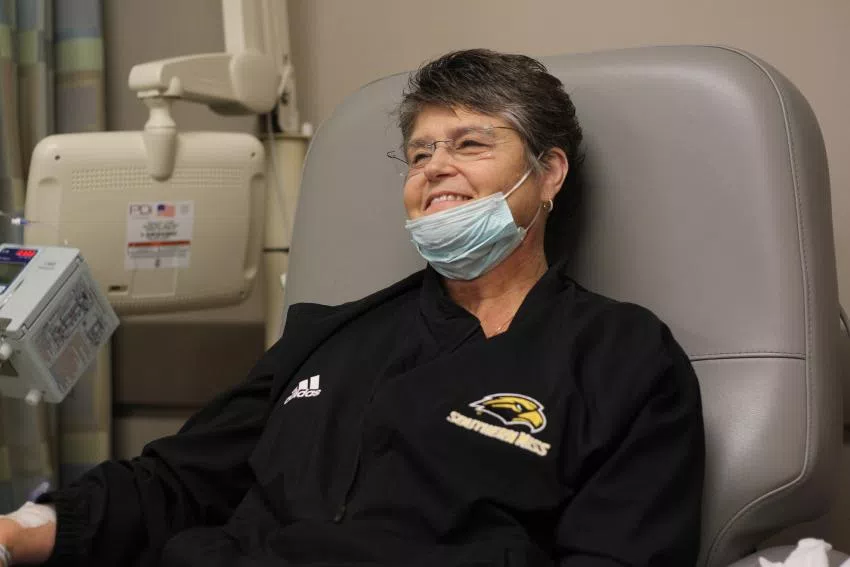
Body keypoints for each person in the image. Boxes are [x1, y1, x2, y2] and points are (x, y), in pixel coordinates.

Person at [0, 49, 704, 566]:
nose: (435, 168)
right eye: (420, 154)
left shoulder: (622, 358)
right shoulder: (328, 334)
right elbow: (173, 483)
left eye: (470, 144)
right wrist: (22, 532)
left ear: (547, 173)